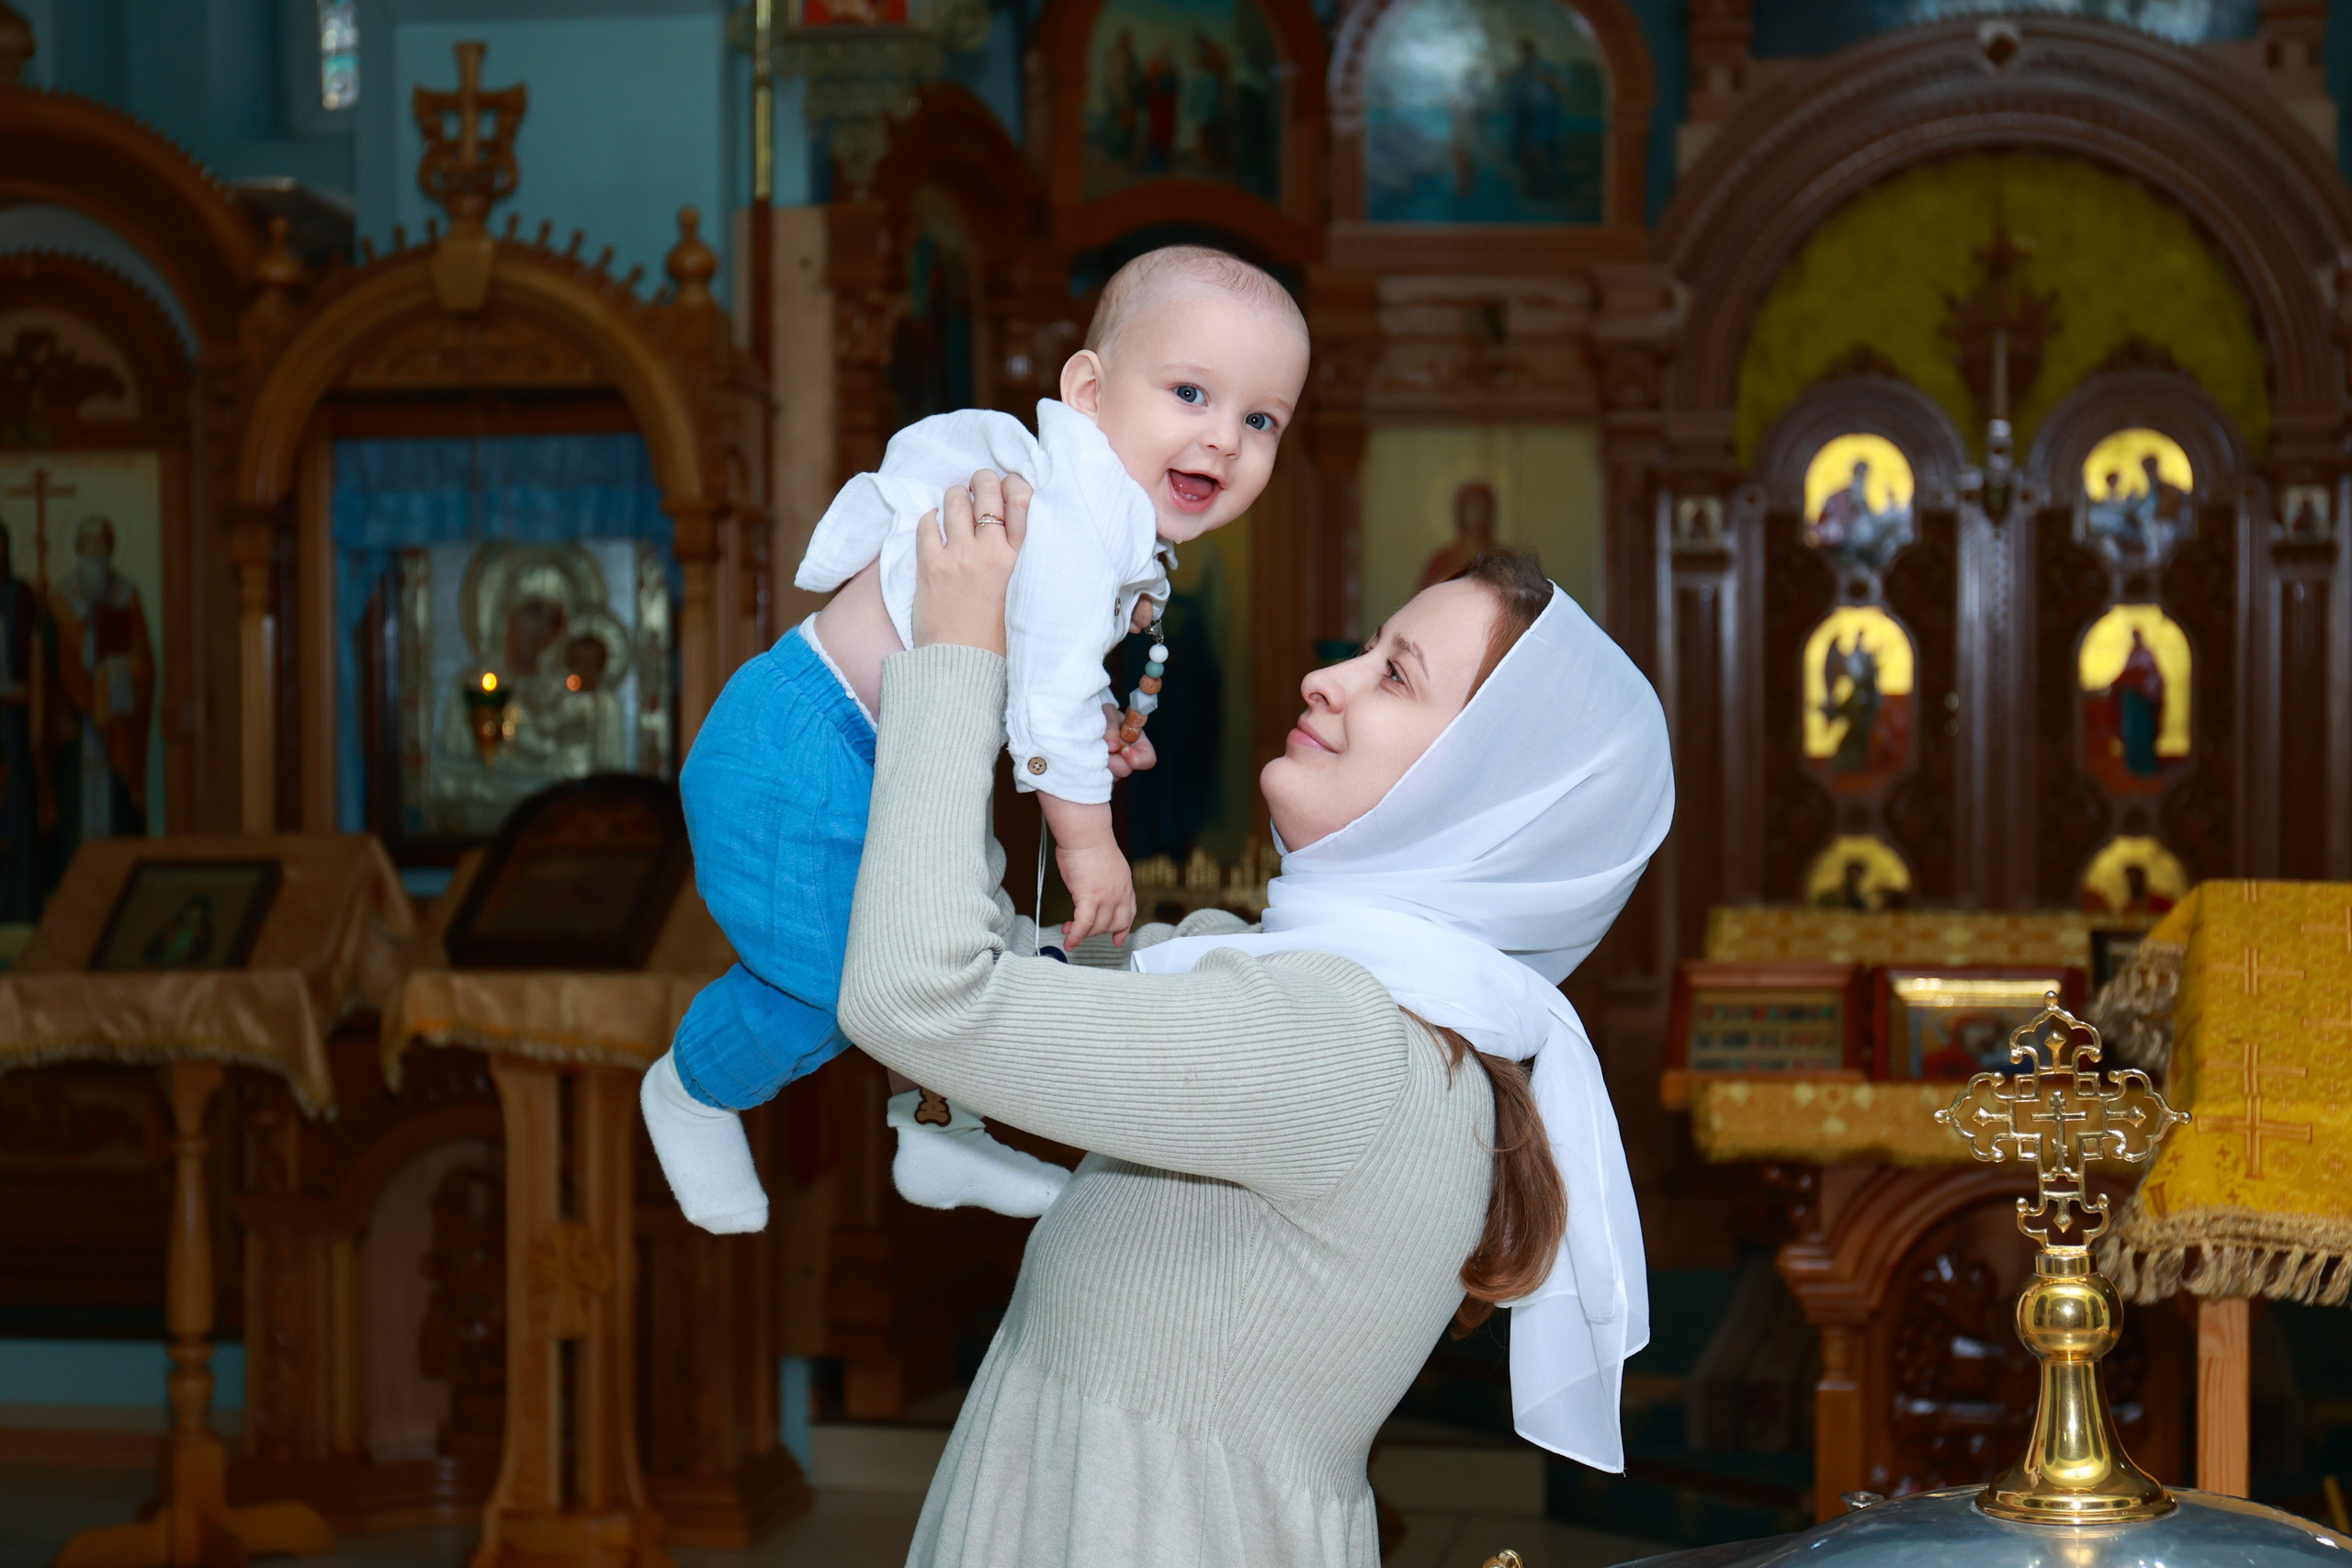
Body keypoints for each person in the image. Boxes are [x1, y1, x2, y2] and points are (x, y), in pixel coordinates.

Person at [838, 489, 1670, 1566]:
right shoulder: (1357, 1004)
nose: (1328, 677)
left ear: (1486, 799)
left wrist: (958, 656)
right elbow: (987, 962)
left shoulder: (1346, 1045)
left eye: (1395, 675)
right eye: (1370, 649)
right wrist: (1055, 763)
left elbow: (919, 995)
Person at [640, 246, 1312, 1233]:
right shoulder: (1071, 520)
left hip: (898, 760)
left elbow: (1031, 681)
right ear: (1087, 389)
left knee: (969, 948)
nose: (1221, 439)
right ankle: (693, 1089)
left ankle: (937, 1132)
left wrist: (1088, 734)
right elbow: (1040, 695)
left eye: (1259, 421)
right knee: (847, 988)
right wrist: (1088, 839)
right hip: (802, 749)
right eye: (1189, 393)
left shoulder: (1103, 518)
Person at [48, 513, 153, 847]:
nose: (96, 552)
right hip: (75, 720)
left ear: (112, 548)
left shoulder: (126, 594)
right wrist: (84, 695)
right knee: (72, 795)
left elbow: (143, 658)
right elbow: (54, 659)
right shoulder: (60, 598)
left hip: (116, 717)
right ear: (77, 549)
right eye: (88, 545)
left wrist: (118, 674)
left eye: (102, 545)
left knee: (116, 798)